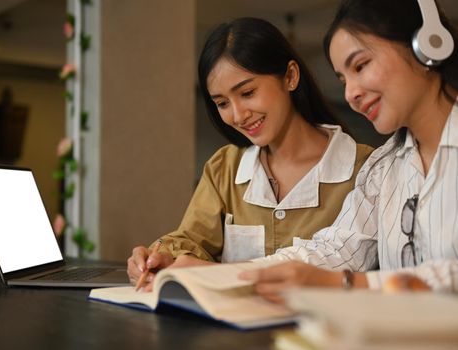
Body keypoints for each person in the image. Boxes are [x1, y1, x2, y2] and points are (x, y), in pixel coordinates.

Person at [127, 17, 373, 289]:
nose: (237, 115)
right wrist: (158, 257)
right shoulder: (225, 167)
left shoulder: (366, 169)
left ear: (290, 77)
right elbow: (191, 240)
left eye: (247, 92)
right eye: (222, 103)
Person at [240, 0, 458, 301]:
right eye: (343, 79)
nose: (350, 93)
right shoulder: (383, 167)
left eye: (360, 66)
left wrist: (350, 285)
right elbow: (335, 249)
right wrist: (216, 276)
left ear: (428, 46)